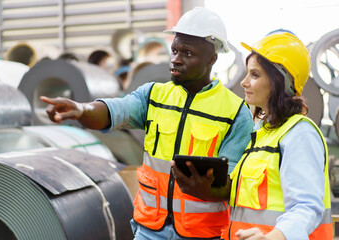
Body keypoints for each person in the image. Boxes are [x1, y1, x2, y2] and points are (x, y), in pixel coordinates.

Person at [40, 7, 253, 240]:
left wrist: (209, 191)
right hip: (150, 229)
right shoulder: (153, 95)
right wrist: (82, 109)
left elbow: (234, 183)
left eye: (187, 53)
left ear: (212, 58)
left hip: (202, 234)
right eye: (174, 50)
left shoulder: (235, 113)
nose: (175, 60)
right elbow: (116, 111)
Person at [221, 32, 332, 240]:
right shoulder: (261, 134)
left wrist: (275, 236)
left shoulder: (299, 134)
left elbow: (307, 206)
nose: (244, 82)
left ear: (279, 81)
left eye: (254, 75)